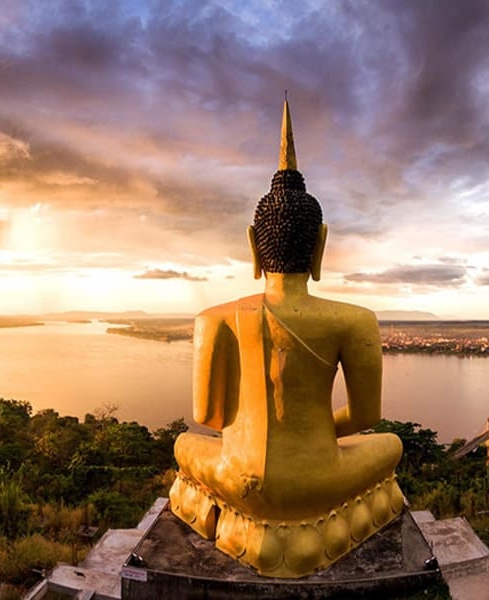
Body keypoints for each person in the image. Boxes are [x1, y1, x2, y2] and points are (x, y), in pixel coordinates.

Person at [169, 100, 403, 578]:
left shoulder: (214, 320)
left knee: (183, 444)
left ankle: (235, 521)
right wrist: (311, 432)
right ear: (320, 245)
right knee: (391, 444)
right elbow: (364, 417)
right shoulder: (356, 320)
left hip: (237, 481)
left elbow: (208, 417)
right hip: (319, 482)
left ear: (254, 246)